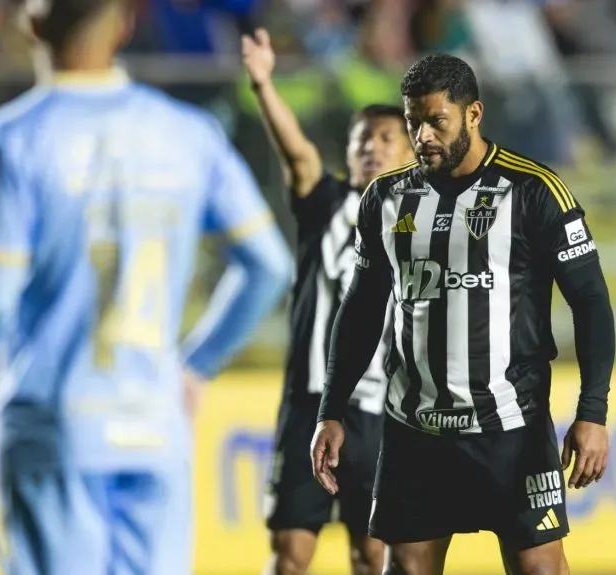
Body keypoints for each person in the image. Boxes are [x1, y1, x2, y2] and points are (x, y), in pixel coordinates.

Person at [0, 2, 294, 574]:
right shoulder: (188, 133)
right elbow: (269, 265)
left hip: (54, 430)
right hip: (156, 428)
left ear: (31, 24)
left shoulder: (11, 140)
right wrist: (196, 366)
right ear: (126, 24)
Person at [310, 53, 616, 575]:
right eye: (414, 122)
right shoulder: (386, 197)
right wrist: (332, 407)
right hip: (415, 431)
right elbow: (361, 307)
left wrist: (592, 412)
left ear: (473, 115)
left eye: (436, 121)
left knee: (541, 571)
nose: (423, 135)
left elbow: (590, 303)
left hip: (511, 428)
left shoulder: (534, 191)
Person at [241, 27, 414, 575]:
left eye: (386, 138)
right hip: (310, 406)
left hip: (383, 415)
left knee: (372, 554)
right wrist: (264, 85)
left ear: (411, 152)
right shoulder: (326, 205)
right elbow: (297, 156)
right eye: (362, 138)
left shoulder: (424, 225)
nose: (371, 147)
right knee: (291, 554)